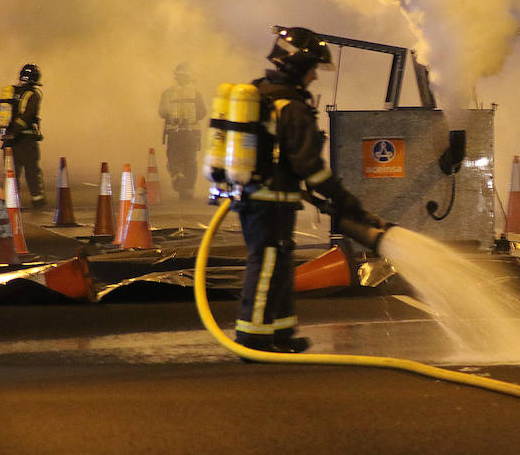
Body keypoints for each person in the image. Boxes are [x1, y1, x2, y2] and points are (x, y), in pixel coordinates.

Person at [233, 27, 375, 354]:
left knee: (281, 262)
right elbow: (309, 166)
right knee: (267, 262)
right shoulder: (291, 107)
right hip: (269, 201)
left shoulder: (265, 94)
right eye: (311, 68)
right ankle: (252, 336)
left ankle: (282, 332)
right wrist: (343, 199)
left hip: (267, 199)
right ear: (297, 66)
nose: (314, 76)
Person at [0, 63, 46, 208]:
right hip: (26, 140)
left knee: (11, 173)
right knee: (32, 170)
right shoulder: (33, 94)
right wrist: (16, 131)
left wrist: (6, 133)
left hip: (8, 141)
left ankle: (12, 202)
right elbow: (29, 114)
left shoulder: (9, 93)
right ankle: (38, 200)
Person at [158, 63, 206, 200]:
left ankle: (177, 176)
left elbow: (162, 112)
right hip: (191, 133)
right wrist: (190, 119)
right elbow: (202, 112)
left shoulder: (168, 93)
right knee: (190, 160)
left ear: (176, 77)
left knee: (174, 158)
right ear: (189, 77)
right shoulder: (195, 93)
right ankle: (189, 188)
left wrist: (173, 118)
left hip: (174, 132)